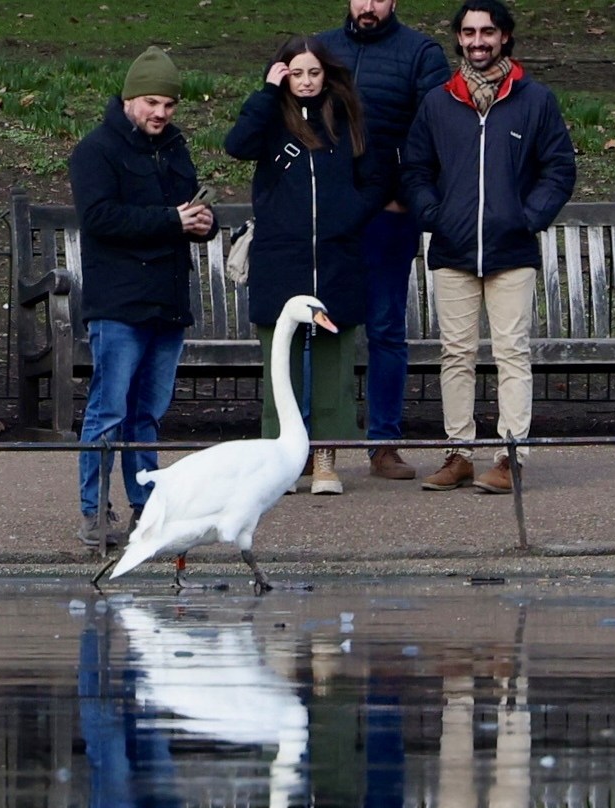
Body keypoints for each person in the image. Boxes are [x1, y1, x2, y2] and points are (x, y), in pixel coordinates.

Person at [401, 0, 576, 494]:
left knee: (511, 353)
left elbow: (558, 168)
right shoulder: (438, 102)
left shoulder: (535, 99)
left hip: (511, 250)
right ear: (458, 38)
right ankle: (458, 453)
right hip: (453, 249)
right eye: (469, 32)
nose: (478, 41)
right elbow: (415, 170)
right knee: (455, 353)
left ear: (504, 37)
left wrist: (528, 217)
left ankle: (508, 456)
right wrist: (434, 215)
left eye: (488, 32)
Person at [69, 46, 217, 547]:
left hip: (167, 300)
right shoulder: (96, 150)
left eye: (169, 105)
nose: (160, 113)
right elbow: (99, 218)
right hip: (119, 304)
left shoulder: (175, 148)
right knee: (108, 412)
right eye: (152, 102)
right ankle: (92, 511)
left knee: (147, 414)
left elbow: (186, 207)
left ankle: (145, 508)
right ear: (130, 99)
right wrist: (173, 220)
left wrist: (202, 223)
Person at [224, 37, 384, 496]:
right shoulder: (272, 115)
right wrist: (266, 93)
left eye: (314, 73)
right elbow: (238, 145)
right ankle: (281, 461)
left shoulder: (347, 115)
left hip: (337, 257)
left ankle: (326, 457)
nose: (307, 82)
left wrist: (348, 215)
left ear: (326, 73)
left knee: (335, 364)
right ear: (283, 74)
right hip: (281, 256)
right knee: (281, 363)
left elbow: (374, 178)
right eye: (297, 73)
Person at [317, 0, 450, 481]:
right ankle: (318, 448)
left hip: (389, 214)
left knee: (387, 327)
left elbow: (434, 130)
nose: (368, 5)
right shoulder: (320, 49)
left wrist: (403, 196)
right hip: (328, 213)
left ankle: (384, 443)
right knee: (321, 328)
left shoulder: (420, 53)